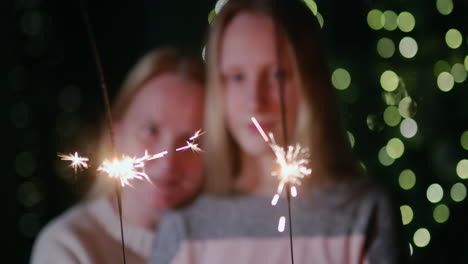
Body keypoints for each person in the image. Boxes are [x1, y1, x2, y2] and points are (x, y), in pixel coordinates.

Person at [151, 0, 407, 263]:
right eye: (237, 77)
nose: (255, 101)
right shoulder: (185, 226)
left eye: (277, 75)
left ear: (310, 81)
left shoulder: (363, 213)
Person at [30, 48, 205, 264]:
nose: (167, 162)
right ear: (116, 133)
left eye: (191, 142)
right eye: (150, 130)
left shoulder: (226, 241)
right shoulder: (67, 246)